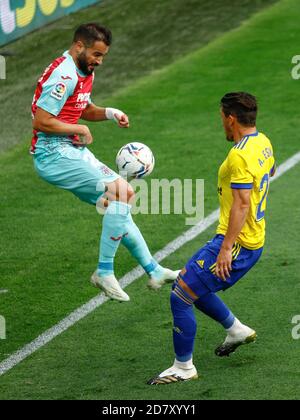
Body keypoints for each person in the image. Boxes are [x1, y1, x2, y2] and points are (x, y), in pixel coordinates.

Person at [31, 23, 179, 302]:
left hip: (69, 150)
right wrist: (78, 130)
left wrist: (111, 113)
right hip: (53, 154)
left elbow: (82, 109)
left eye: (102, 56)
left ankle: (154, 269)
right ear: (79, 46)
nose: (99, 61)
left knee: (118, 209)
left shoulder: (84, 71)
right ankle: (104, 272)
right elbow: (41, 120)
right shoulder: (63, 75)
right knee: (123, 192)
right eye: (96, 54)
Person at [148, 92, 276, 385]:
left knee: (180, 295)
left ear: (231, 118)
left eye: (221, 118)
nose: (221, 123)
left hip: (238, 244)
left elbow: (243, 204)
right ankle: (236, 330)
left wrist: (226, 249)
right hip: (252, 238)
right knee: (191, 282)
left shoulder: (240, 154)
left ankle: (184, 367)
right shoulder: (262, 142)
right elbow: (271, 170)